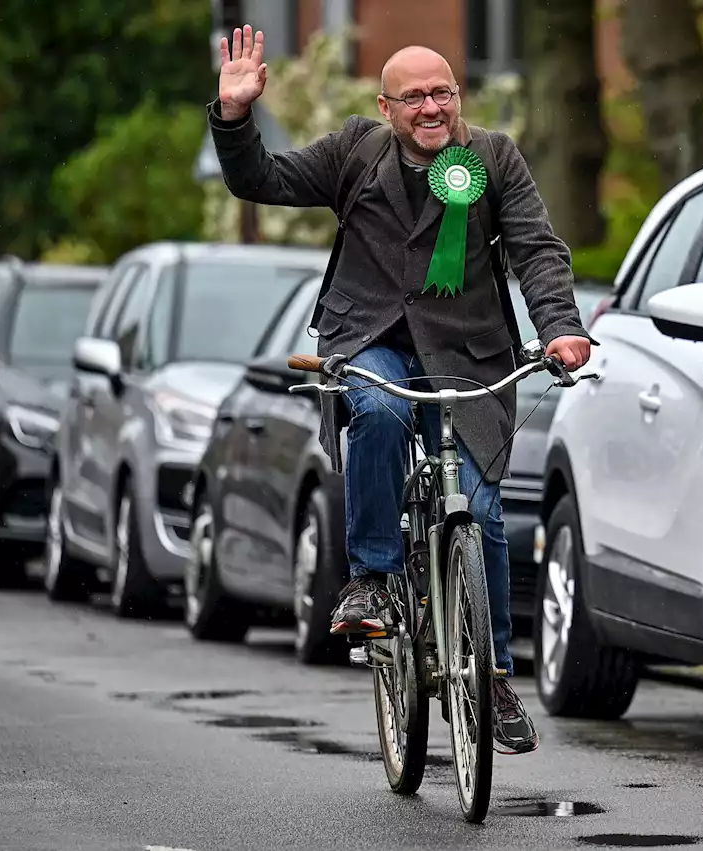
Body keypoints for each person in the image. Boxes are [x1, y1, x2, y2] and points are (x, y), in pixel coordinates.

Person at [208, 25, 593, 756]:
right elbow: (262, 180)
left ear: (458, 97)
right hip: (368, 338)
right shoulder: (354, 151)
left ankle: (495, 675)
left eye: (442, 92)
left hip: (470, 355)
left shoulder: (493, 159)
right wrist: (234, 117)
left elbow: (538, 251)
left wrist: (562, 328)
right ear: (386, 107)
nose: (430, 107)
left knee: (480, 514)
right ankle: (374, 580)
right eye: (413, 96)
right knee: (379, 412)